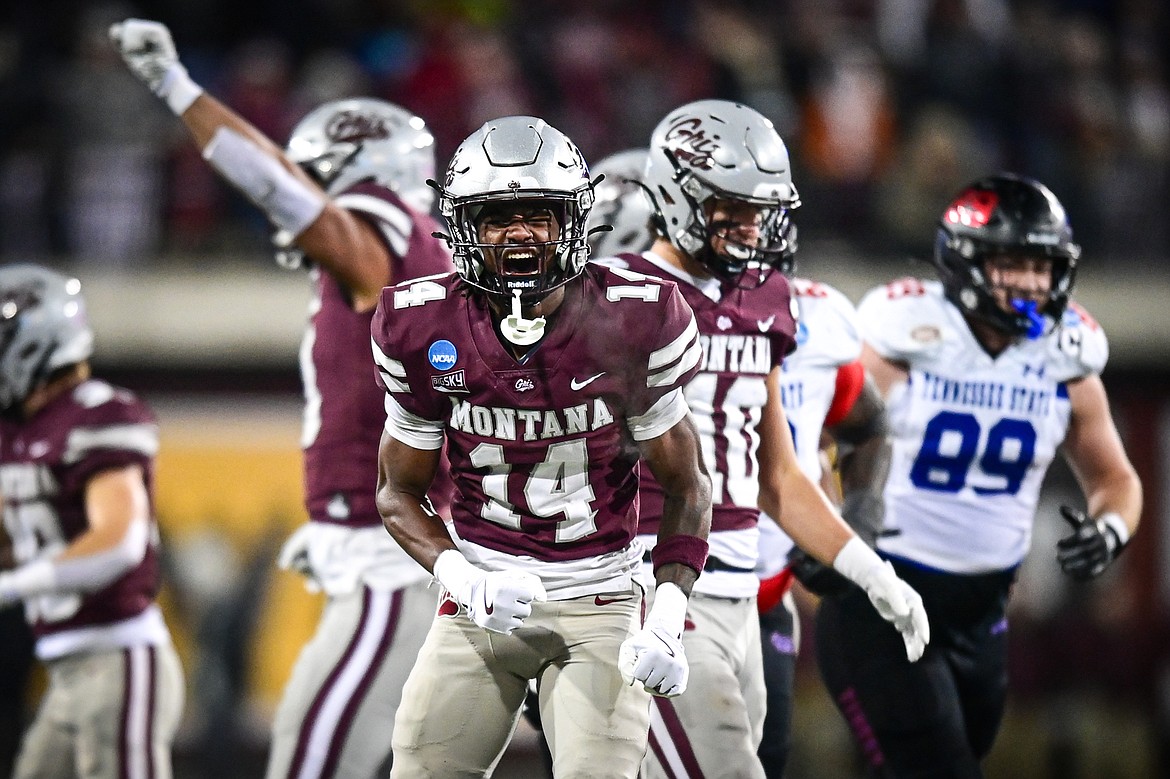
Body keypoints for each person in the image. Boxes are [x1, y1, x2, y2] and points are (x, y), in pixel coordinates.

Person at [109, 19, 455, 779]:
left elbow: (275, 184)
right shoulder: (424, 254)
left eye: (315, 177)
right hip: (376, 547)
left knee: (313, 761)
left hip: (390, 562)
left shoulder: (377, 241)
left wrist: (181, 90)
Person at [594, 98, 927, 779]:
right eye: (732, 207)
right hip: (657, 587)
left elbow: (775, 476)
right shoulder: (612, 297)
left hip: (744, 593)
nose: (752, 227)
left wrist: (870, 570)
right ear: (678, 197)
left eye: (760, 208)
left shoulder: (765, 299)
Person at [372, 115, 712, 779]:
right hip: (480, 600)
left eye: (539, 214)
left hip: (601, 597)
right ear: (465, 227)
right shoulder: (422, 324)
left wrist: (667, 616)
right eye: (498, 217)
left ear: (574, 221)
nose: (520, 233)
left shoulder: (633, 318)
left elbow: (688, 481)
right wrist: (464, 579)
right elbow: (396, 489)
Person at [815, 173, 1143, 777]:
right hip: (882, 601)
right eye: (1013, 263)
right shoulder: (902, 337)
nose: (1031, 282)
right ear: (966, 261)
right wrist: (827, 527)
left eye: (1042, 266)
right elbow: (814, 438)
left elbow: (1117, 479)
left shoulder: (1065, 360)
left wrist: (1111, 531)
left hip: (983, 615)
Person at [0, 264, 185, 779]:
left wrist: (13, 586)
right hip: (66, 671)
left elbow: (117, 543)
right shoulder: (16, 429)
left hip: (120, 658)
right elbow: (18, 535)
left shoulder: (96, 415)